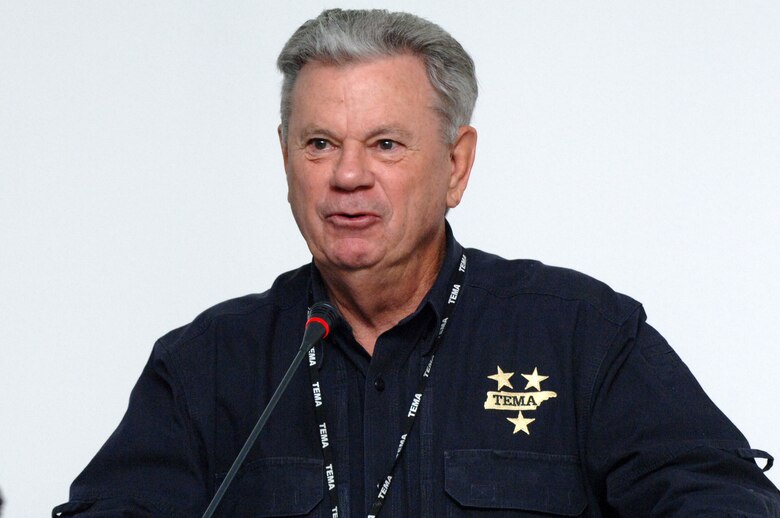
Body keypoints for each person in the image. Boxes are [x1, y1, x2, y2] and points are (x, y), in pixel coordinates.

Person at [54, 8, 779, 517]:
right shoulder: (206, 364)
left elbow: (722, 500)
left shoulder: (582, 336)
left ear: (456, 166)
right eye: (319, 144)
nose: (348, 177)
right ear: (284, 160)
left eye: (386, 145)